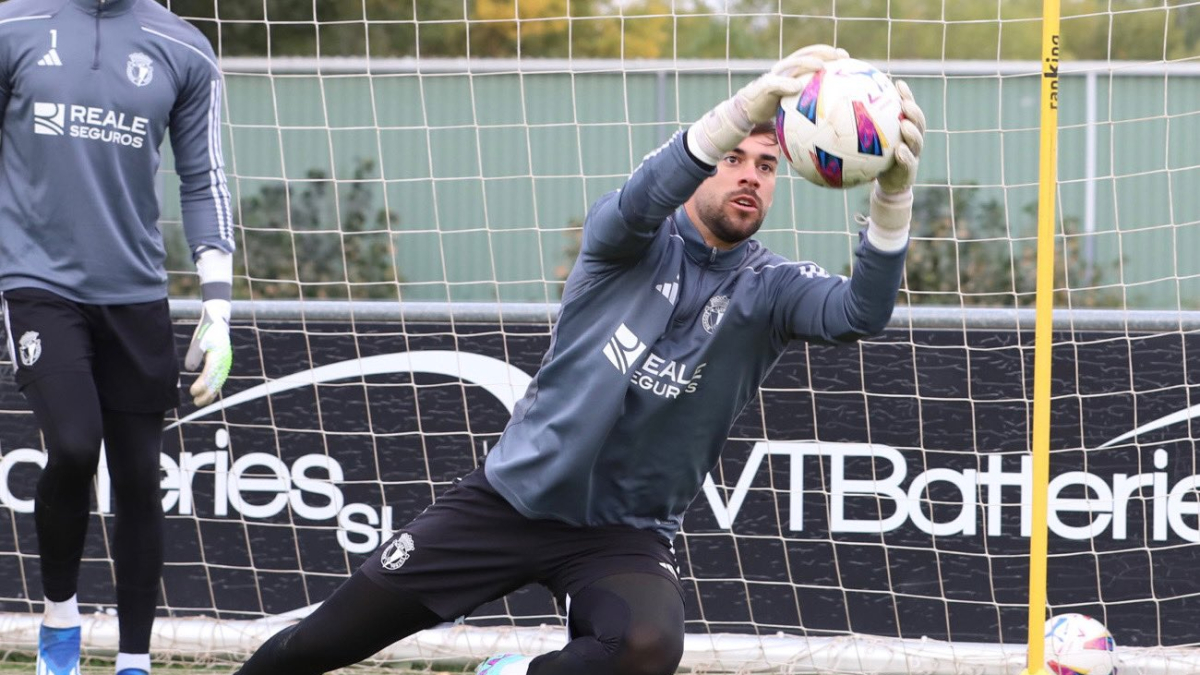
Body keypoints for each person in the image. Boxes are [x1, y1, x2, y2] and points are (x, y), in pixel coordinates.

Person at [233, 44, 925, 675]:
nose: (748, 178)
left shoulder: (771, 287)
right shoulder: (625, 240)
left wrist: (892, 199)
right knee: (317, 644)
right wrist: (743, 109)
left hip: (621, 535)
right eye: (732, 159)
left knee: (649, 646)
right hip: (513, 500)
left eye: (766, 165)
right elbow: (646, 192)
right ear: (702, 166)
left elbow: (860, 315)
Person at [0, 1, 236, 674]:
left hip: (137, 295)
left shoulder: (184, 48)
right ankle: (60, 618)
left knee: (138, 478)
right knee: (74, 443)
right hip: (38, 283)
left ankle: (135, 659)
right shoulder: (13, 26)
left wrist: (217, 306)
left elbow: (204, 179)